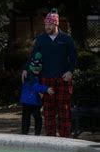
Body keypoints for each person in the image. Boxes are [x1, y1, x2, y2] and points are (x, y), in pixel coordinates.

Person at [21, 9, 77, 137]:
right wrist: (25, 68)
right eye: (46, 24)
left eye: (50, 25)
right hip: (46, 80)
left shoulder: (66, 39)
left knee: (64, 111)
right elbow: (33, 56)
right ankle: (51, 140)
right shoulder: (41, 39)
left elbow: (74, 57)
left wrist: (70, 71)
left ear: (56, 24)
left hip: (63, 79)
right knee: (48, 112)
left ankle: (65, 139)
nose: (47, 27)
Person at [20, 52, 54, 135]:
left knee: (37, 118)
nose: (36, 71)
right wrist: (46, 89)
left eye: (38, 69)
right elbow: (35, 86)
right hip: (28, 101)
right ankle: (25, 133)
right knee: (26, 118)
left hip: (35, 102)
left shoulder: (38, 75)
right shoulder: (29, 76)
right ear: (31, 68)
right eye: (35, 69)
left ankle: (37, 134)